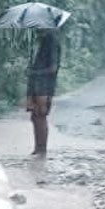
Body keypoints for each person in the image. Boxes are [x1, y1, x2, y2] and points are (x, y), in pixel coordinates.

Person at [26, 29, 61, 157]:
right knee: (35, 116)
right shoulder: (41, 41)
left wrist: (34, 72)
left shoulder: (51, 41)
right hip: (36, 85)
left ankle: (41, 149)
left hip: (44, 86)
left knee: (40, 116)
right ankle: (38, 148)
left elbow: (53, 68)